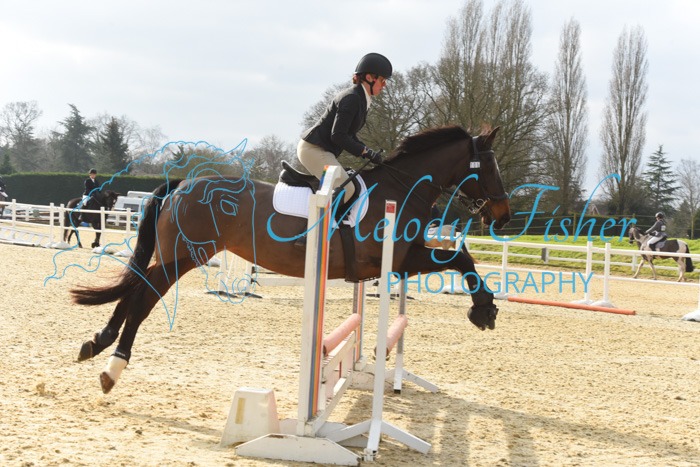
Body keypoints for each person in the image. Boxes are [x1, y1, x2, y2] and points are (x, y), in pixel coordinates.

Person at [294, 53, 392, 248]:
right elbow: (338, 136)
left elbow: (349, 135)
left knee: (351, 186)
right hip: (313, 149)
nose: (384, 85)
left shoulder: (361, 99)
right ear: (369, 77)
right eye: (382, 80)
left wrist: (368, 151)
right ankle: (309, 233)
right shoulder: (352, 99)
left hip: (322, 150)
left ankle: (332, 229)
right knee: (346, 188)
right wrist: (364, 152)